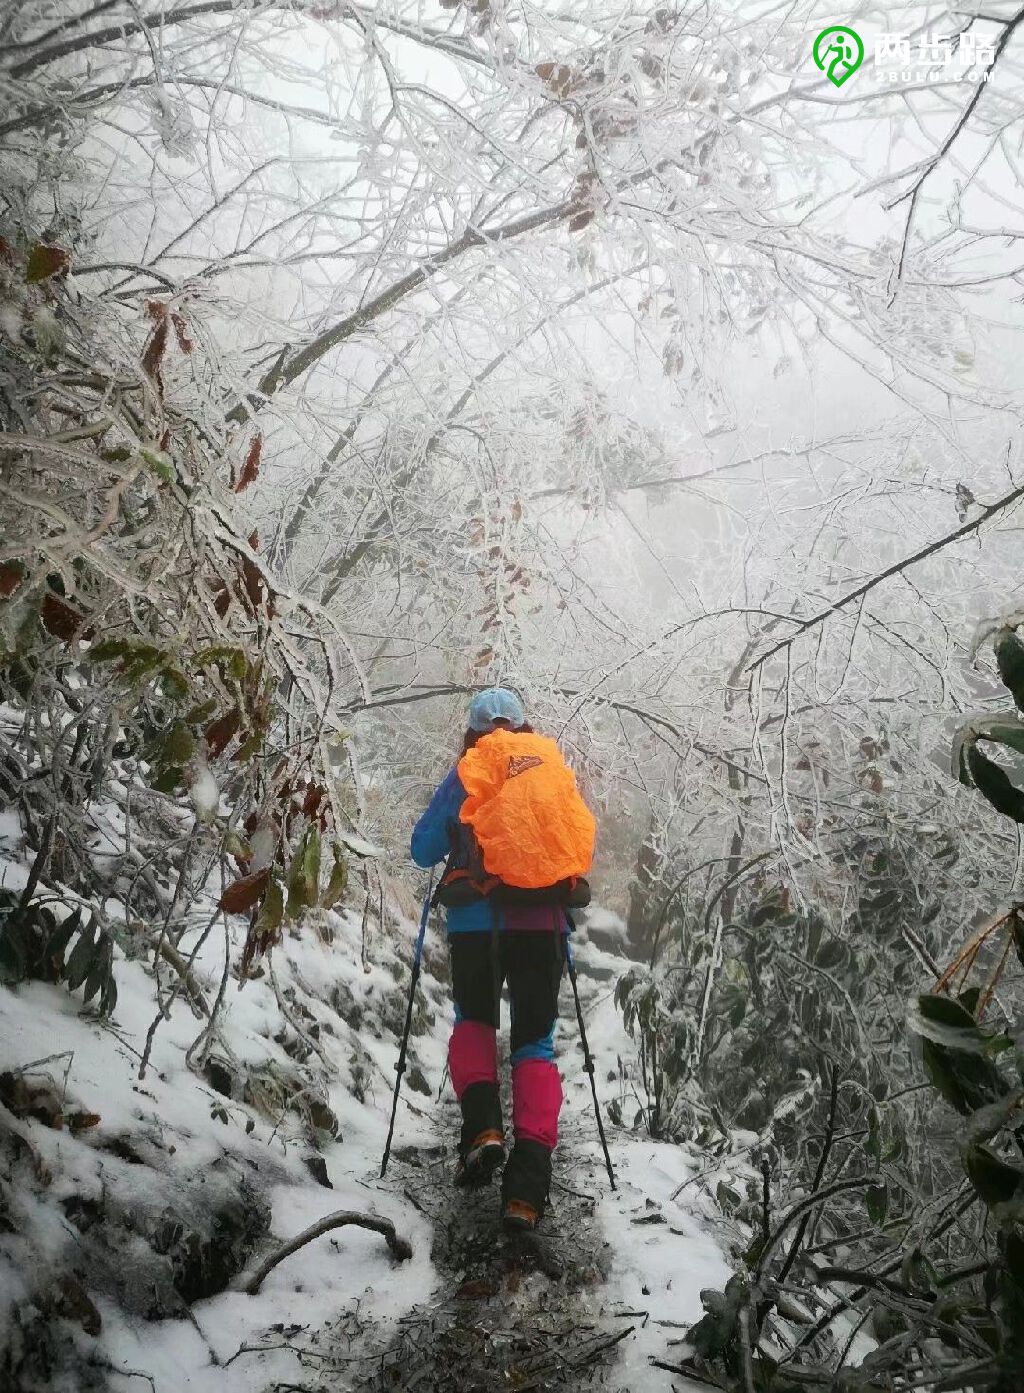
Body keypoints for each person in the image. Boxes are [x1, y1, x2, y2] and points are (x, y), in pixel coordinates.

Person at [410, 687, 594, 1231]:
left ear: (472, 732)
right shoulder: (552, 768)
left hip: (475, 925)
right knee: (534, 1042)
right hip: (542, 925)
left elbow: (421, 848)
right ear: (522, 727)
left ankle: (485, 1128)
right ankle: (527, 1188)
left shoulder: (468, 770)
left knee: (476, 1022)